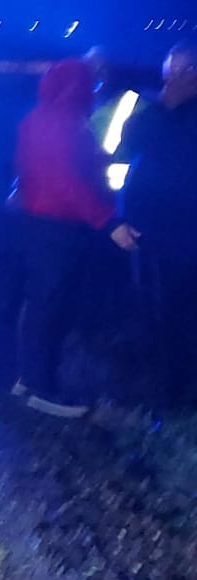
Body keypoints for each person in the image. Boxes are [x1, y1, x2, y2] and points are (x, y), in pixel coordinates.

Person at [12, 57, 138, 419]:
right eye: (89, 83)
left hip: (39, 222)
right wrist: (108, 221)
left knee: (41, 301)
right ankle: (40, 387)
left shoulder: (38, 117)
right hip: (58, 227)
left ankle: (29, 377)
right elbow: (66, 183)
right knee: (50, 304)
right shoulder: (65, 123)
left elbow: (35, 168)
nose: (94, 90)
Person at [123, 41, 197, 406]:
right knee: (162, 310)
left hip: (176, 233)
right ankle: (170, 386)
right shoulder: (159, 112)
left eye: (175, 74)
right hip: (156, 230)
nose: (167, 82)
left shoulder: (172, 117)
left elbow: (151, 144)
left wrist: (165, 107)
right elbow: (131, 141)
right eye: (166, 74)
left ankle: (175, 391)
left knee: (173, 312)